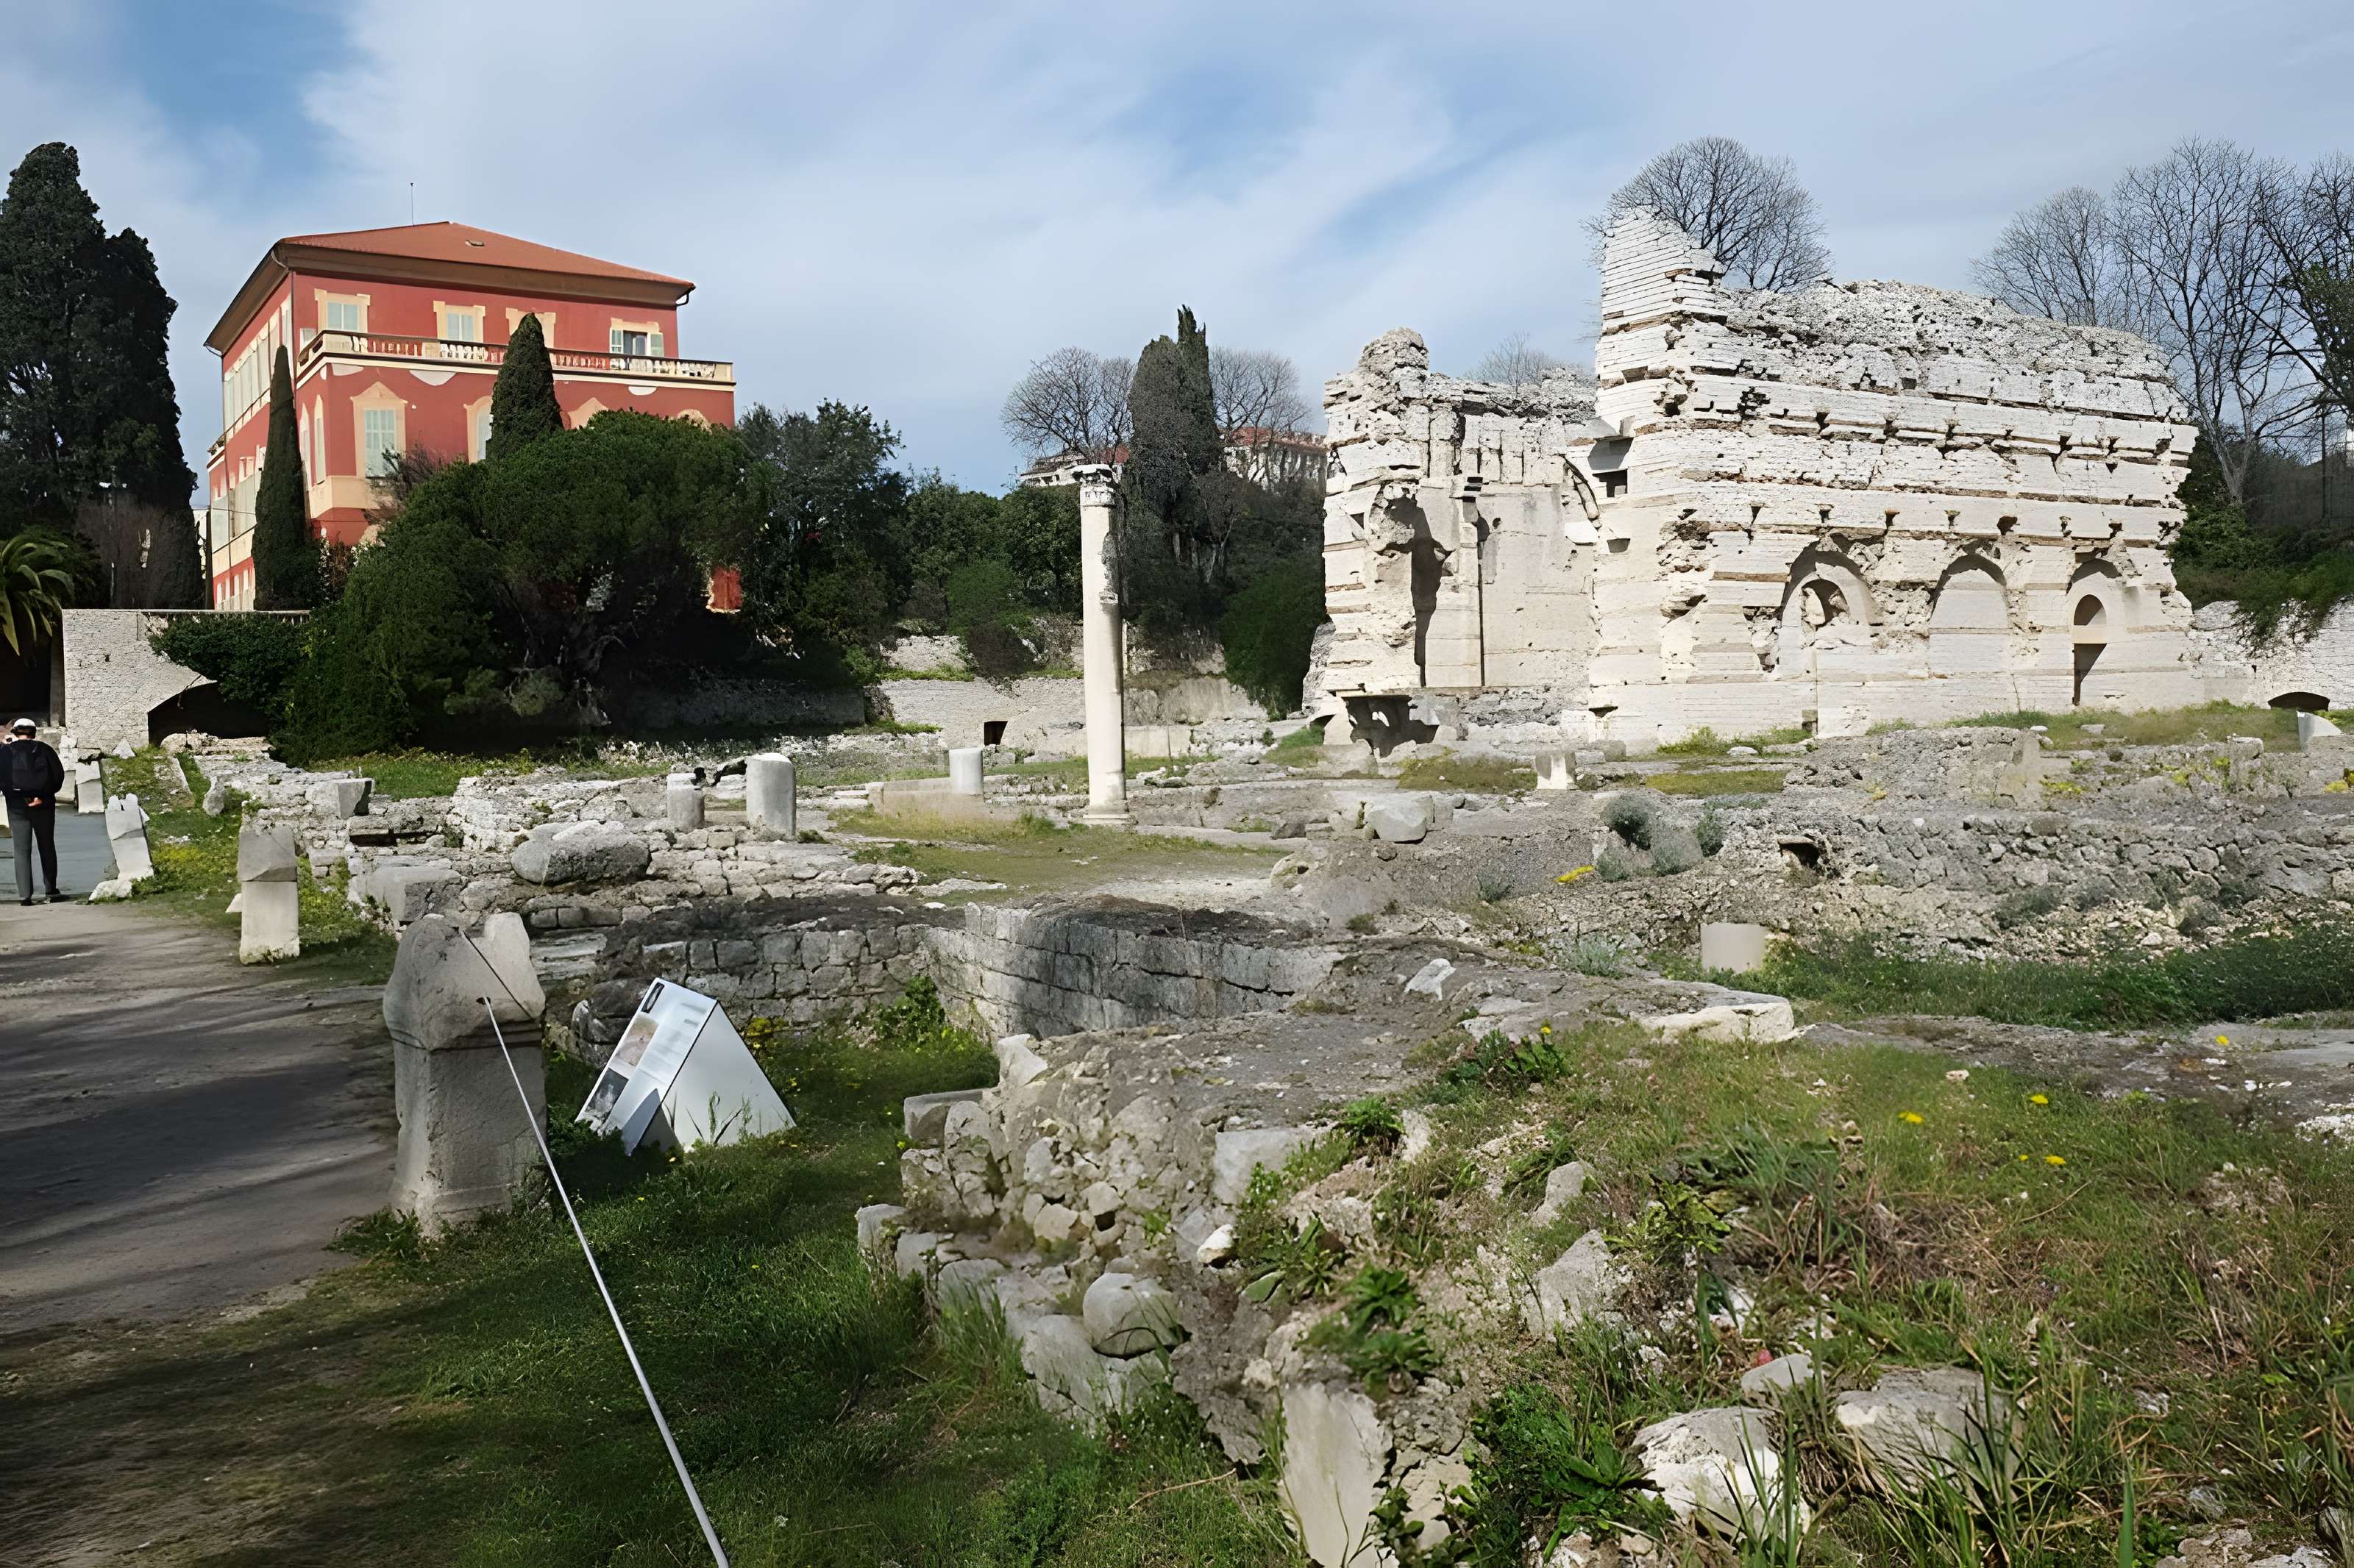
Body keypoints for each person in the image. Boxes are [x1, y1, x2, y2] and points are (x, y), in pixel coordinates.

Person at [3, 717, 65, 905]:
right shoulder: (46, 750)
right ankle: (51, 891)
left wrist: (15, 796)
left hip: (16, 806)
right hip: (44, 805)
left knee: (21, 850)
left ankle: (25, 896)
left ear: (15, 732)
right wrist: (41, 796)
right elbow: (58, 777)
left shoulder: (5, 752)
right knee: (47, 846)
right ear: (34, 733)